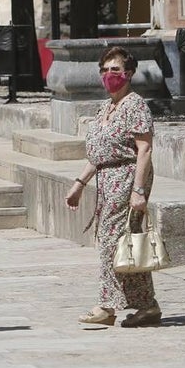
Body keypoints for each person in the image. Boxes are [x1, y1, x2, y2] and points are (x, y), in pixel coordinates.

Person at [65, 46, 160, 328]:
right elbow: (99, 153)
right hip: (106, 178)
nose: (109, 75)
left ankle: (106, 307)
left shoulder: (136, 105)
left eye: (115, 70)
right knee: (123, 243)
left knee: (110, 241)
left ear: (128, 73)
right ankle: (147, 306)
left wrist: (139, 191)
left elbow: (144, 149)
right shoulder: (106, 107)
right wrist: (80, 183)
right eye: (105, 70)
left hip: (127, 176)